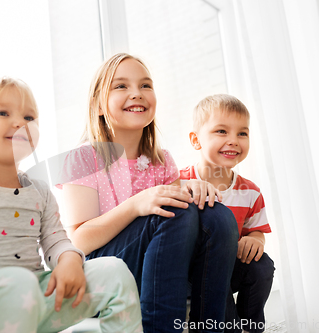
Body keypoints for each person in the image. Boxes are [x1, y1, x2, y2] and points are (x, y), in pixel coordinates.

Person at [59, 53, 239, 333]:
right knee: (174, 209)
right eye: (121, 86)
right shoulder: (83, 158)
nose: (136, 94)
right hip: (101, 272)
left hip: (158, 264)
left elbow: (185, 225)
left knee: (217, 215)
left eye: (145, 85)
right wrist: (137, 204)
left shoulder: (162, 160)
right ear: (97, 105)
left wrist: (192, 189)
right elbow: (78, 240)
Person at [0, 77, 142, 333]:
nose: (20, 123)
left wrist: (69, 261)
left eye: (29, 117)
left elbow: (56, 239)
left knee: (114, 271)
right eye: (2, 113)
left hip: (32, 297)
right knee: (17, 283)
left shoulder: (39, 191)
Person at [179, 94, 275, 333]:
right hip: (192, 273)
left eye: (242, 133)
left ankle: (250, 326)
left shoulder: (250, 192)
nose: (233, 140)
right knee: (223, 320)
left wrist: (254, 240)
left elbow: (256, 230)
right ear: (196, 140)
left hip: (230, 268)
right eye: (221, 131)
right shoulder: (180, 183)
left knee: (262, 265)